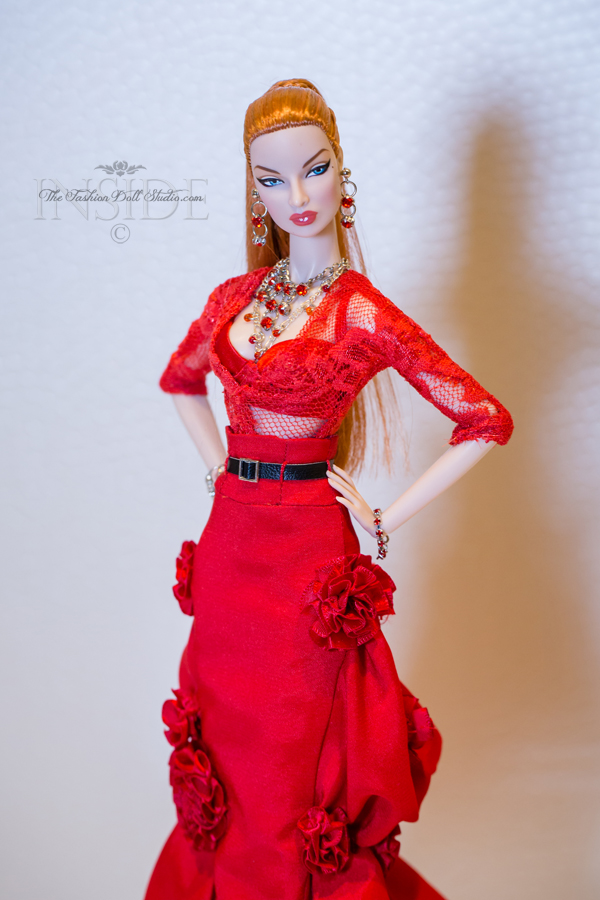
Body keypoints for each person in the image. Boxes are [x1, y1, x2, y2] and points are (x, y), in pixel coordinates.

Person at [144, 79, 513, 900]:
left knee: (291, 766)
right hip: (232, 555)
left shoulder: (361, 313)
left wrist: (385, 517)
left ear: (343, 174)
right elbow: (180, 381)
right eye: (272, 179)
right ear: (254, 193)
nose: (297, 196)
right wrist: (220, 466)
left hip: (308, 567)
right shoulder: (234, 299)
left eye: (313, 170)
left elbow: (485, 418)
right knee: (228, 758)